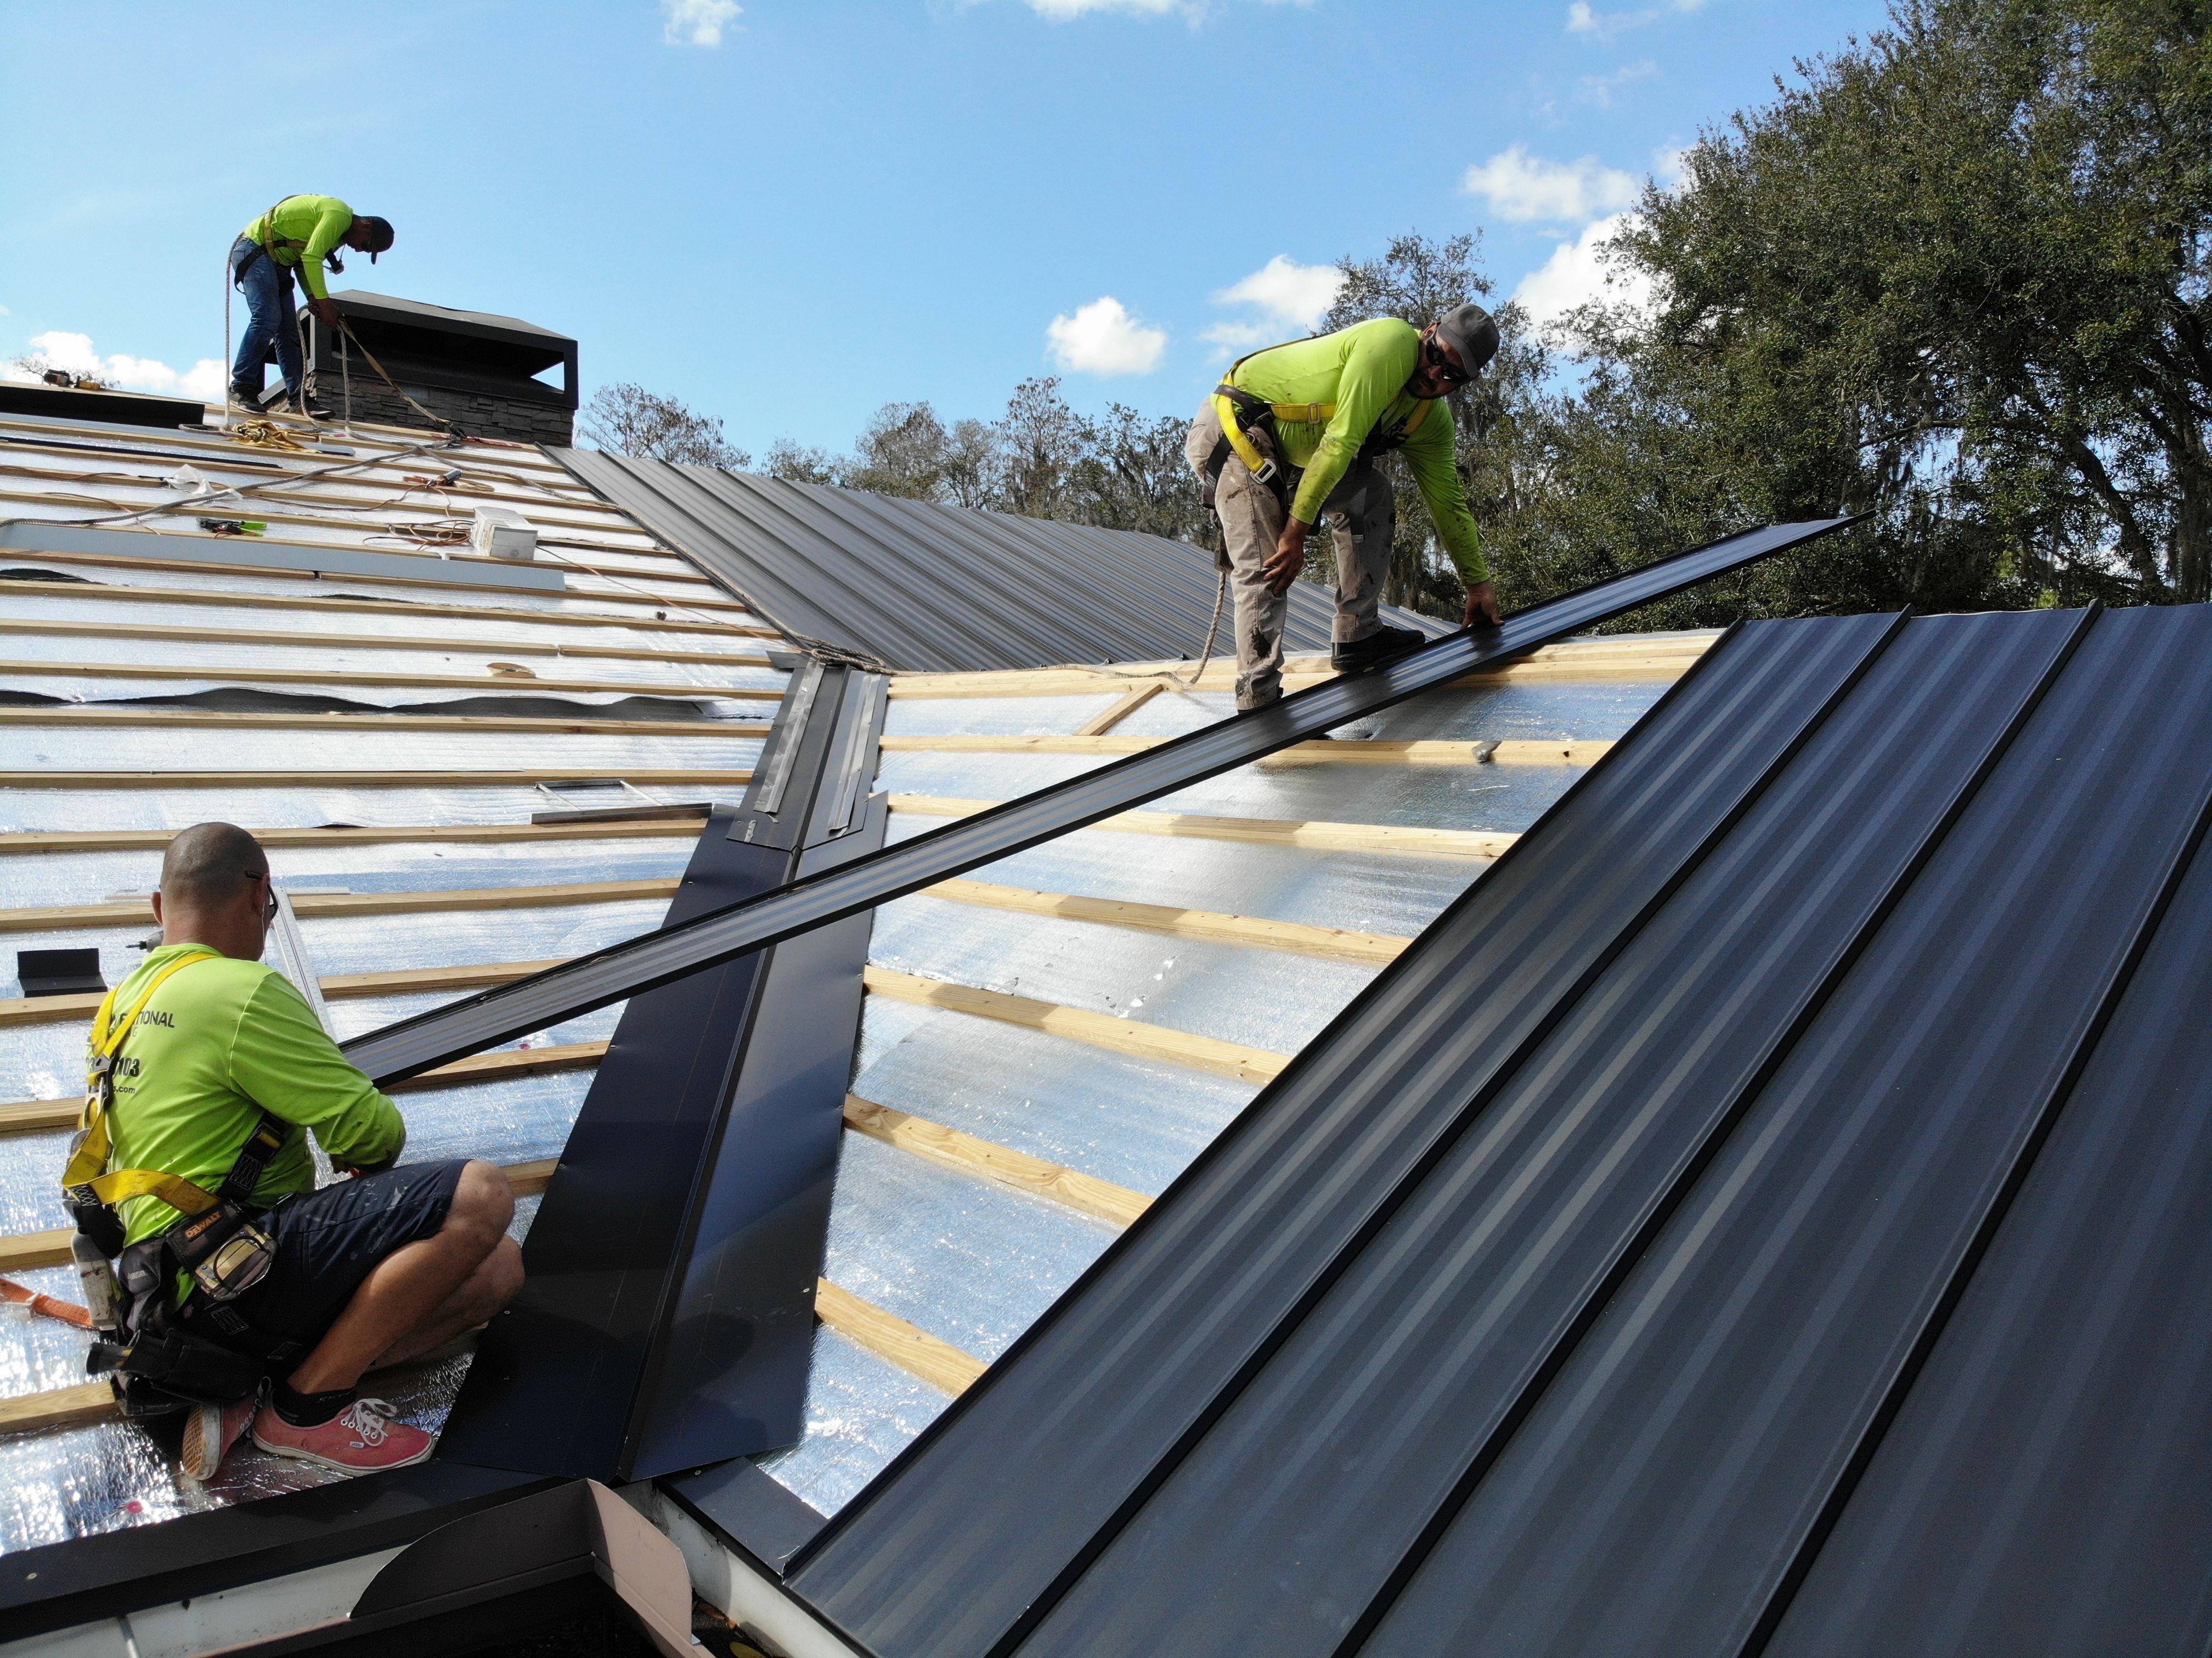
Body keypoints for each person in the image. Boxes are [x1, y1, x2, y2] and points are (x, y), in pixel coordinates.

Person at [69, 822, 520, 1482]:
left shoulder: (123, 1004)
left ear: (160, 908)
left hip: (162, 1297)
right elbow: (373, 1135)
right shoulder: (242, 991)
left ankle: (246, 1386)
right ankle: (307, 1408)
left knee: (499, 1268)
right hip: (234, 1278)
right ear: (260, 896)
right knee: (482, 1197)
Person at [1185, 303, 1503, 712]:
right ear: (1428, 331)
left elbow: (1448, 504)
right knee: (1269, 560)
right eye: (1437, 356)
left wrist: (1478, 585)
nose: (1436, 373)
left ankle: (1359, 634)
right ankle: (1257, 694)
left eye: (1452, 375)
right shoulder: (1391, 342)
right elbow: (1340, 442)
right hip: (1238, 428)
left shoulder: (1430, 422)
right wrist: (1295, 533)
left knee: (1372, 492)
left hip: (1296, 456)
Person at [228, 196, 394, 416]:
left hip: (279, 262)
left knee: (288, 333)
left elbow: (302, 261)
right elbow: (311, 257)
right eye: (365, 245)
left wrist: (313, 297)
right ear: (366, 225)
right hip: (255, 249)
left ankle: (298, 399)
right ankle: (240, 388)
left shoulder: (337, 237)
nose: (358, 250)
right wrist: (324, 303)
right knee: (267, 318)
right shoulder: (339, 215)